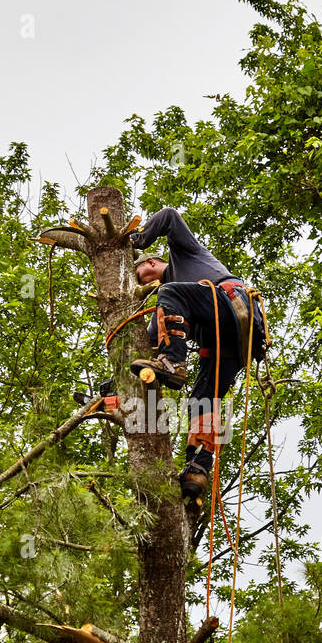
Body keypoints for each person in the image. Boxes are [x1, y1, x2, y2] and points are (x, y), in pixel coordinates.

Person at [127, 208, 266, 503]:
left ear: (150, 261)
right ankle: (197, 471)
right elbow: (151, 343)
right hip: (230, 346)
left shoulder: (182, 257)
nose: (142, 285)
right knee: (202, 402)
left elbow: (169, 216)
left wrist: (137, 240)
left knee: (171, 293)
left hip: (232, 305)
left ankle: (174, 362)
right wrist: (116, 382)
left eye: (140, 276)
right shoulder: (170, 302)